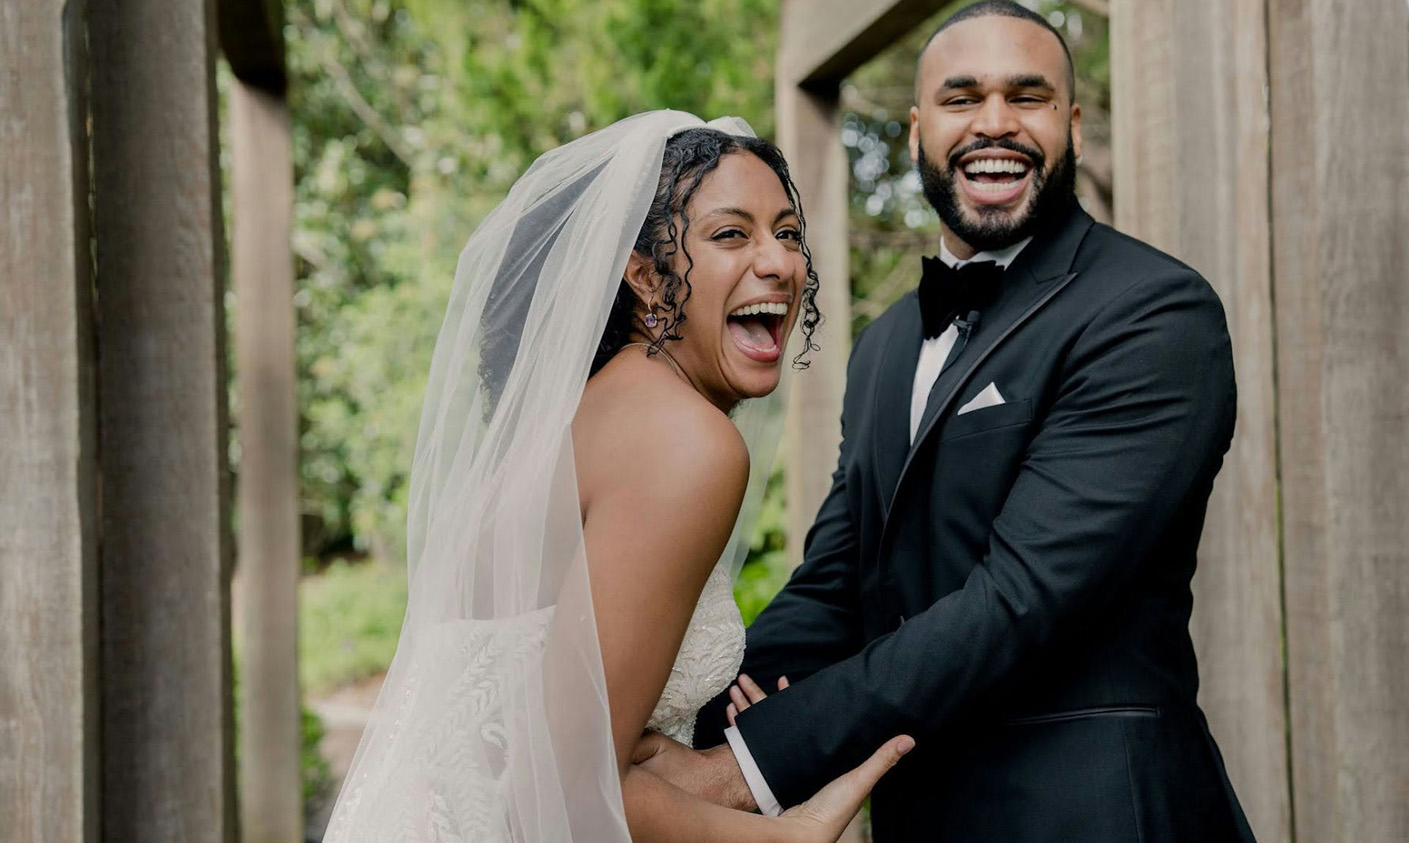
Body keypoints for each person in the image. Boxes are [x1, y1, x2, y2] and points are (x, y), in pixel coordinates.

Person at [636, 4, 1258, 841]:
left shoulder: (1153, 315)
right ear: (917, 128)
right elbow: (840, 576)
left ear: (1071, 124)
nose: (994, 123)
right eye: (963, 99)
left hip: (1092, 815)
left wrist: (747, 767)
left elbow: (1018, 601)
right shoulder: (887, 342)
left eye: (1027, 97)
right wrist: (697, 718)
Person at [322, 111, 911, 843]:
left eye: (787, 233)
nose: (780, 263)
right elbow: (563, 789)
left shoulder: (592, 415)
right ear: (645, 275)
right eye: (732, 234)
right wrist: (789, 835)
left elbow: (554, 730)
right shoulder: (687, 443)